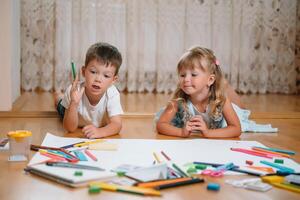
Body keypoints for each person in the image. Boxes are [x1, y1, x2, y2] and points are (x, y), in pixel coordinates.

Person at [156, 46, 241, 138]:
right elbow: (161, 125)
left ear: (210, 80)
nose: (186, 79)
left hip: (221, 108)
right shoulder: (177, 101)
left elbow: (236, 129)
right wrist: (181, 132)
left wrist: (208, 133)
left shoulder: (221, 101)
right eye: (182, 75)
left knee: (240, 109)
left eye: (193, 74)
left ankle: (226, 86)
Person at [55, 42, 123, 138]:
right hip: (73, 114)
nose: (98, 79)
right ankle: (58, 96)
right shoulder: (73, 92)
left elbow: (117, 125)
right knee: (60, 105)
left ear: (113, 80)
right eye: (93, 72)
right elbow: (70, 128)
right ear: (83, 71)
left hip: (94, 123)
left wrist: (100, 132)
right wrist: (74, 103)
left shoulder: (112, 93)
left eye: (106, 75)